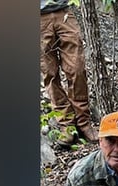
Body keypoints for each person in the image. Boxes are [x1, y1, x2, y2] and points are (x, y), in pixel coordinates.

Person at [40, 0, 97, 147]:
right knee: (50, 74)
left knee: (77, 68)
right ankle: (67, 124)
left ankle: (84, 121)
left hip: (64, 11)